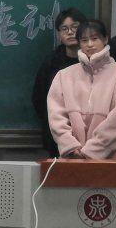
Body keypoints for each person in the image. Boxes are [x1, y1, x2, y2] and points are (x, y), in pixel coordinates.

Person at [46, 20, 116, 160]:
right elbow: (56, 116)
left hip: (109, 158)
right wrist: (70, 146)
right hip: (72, 157)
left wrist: (92, 150)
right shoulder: (64, 75)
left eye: (94, 38)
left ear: (105, 39)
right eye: (84, 40)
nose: (90, 44)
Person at [31, 8, 86, 156]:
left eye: (75, 27)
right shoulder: (51, 63)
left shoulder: (96, 61)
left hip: (91, 137)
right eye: (64, 29)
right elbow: (39, 99)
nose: (70, 32)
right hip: (58, 138)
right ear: (59, 34)